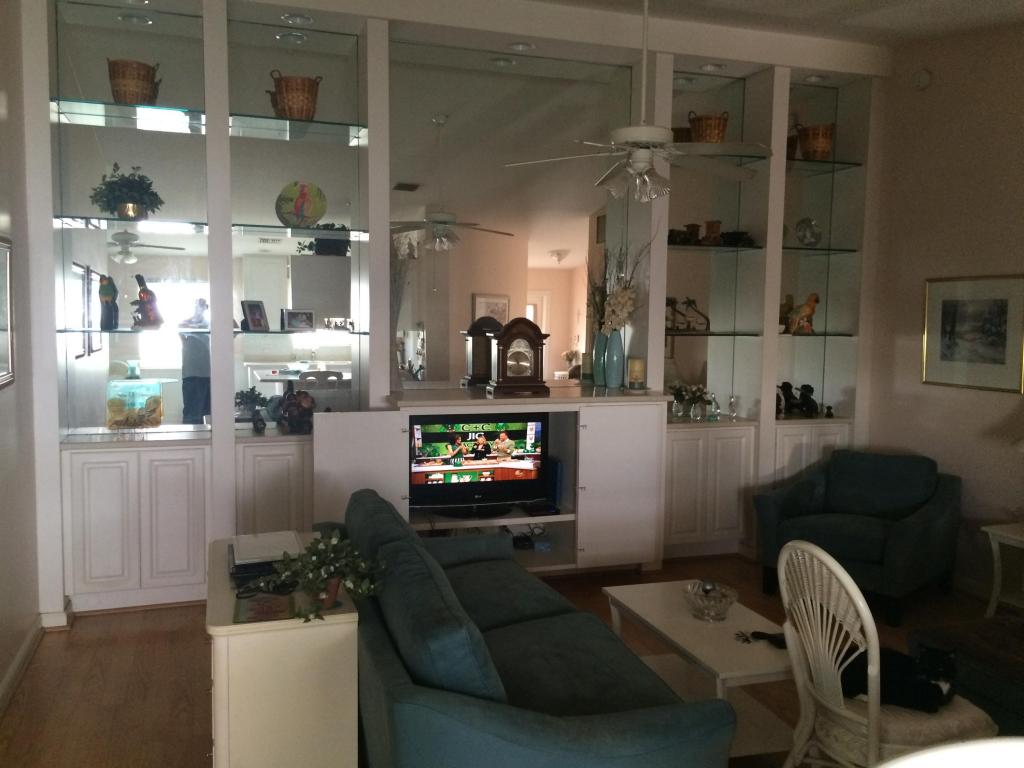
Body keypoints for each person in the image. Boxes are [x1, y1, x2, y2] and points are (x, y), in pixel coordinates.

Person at [180, 298, 211, 425]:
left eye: (203, 305)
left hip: (208, 374)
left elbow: (233, 327)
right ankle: (190, 437)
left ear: (206, 308)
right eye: (198, 305)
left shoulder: (210, 324)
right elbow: (182, 330)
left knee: (209, 414)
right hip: (191, 375)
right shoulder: (184, 323)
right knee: (192, 416)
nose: (200, 308)